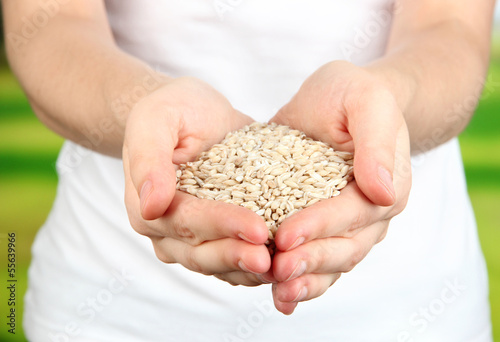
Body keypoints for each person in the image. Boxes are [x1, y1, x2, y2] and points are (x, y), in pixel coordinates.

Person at [3, 0, 495, 340]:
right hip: (114, 312)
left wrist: (385, 101)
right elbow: (49, 24)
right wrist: (144, 108)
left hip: (410, 313)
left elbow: (450, 27)